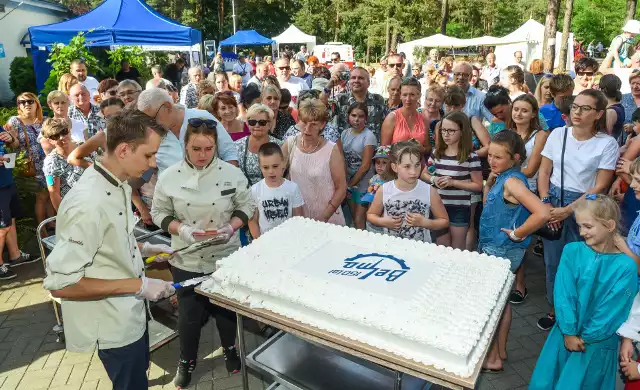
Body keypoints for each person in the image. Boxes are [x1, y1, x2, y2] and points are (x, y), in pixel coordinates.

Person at [42, 109, 174, 389]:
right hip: (113, 324)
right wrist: (138, 285)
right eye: (149, 155)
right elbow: (61, 284)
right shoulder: (88, 202)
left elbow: (107, 241)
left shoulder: (117, 184)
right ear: (124, 150)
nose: (153, 162)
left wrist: (145, 248)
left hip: (130, 316)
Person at [151, 117, 254, 387]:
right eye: (196, 149)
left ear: (216, 146)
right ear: (185, 145)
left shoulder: (231, 173)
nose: (202, 155)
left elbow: (246, 206)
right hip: (187, 255)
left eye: (208, 149)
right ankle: (186, 361)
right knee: (189, 315)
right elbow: (158, 212)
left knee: (226, 311)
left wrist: (232, 228)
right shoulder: (169, 176)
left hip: (225, 254)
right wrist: (182, 229)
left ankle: (231, 351)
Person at [529, 196, 637, 389]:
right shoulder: (572, 250)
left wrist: (585, 337)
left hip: (595, 346)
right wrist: (569, 332)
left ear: (610, 225)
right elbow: (563, 294)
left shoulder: (626, 266)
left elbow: (612, 310)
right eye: (579, 226)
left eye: (588, 226)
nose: (581, 232)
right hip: (563, 336)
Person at [536, 89, 619, 331]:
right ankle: (555, 309)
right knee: (554, 262)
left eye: (585, 108)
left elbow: (601, 185)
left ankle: (579, 311)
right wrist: (546, 201)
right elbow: (543, 172)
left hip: (588, 206)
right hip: (554, 198)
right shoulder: (558, 135)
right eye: (575, 107)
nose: (577, 112)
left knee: (584, 262)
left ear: (598, 114)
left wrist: (570, 209)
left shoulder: (607, 143)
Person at [479, 131, 550, 372]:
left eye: (498, 157)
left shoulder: (513, 182)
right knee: (502, 303)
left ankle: (492, 358)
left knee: (491, 304)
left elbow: (542, 213)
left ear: (515, 157)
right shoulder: (504, 177)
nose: (492, 161)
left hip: (500, 250)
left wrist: (518, 233)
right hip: (498, 247)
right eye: (490, 155)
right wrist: (489, 183)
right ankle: (500, 351)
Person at [504, 94, 549, 302]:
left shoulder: (540, 135)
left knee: (519, 238)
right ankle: (506, 280)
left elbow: (530, 170)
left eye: (524, 110)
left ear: (533, 114)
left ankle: (520, 285)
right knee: (505, 235)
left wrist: (504, 169)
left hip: (527, 192)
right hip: (504, 189)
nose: (518, 114)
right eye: (515, 109)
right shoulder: (506, 133)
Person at [137, 88, 239, 173]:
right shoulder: (152, 133)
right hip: (172, 194)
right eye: (146, 121)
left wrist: (227, 184)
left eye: (152, 118)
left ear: (168, 107)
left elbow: (229, 152)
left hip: (210, 190)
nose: (150, 124)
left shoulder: (202, 117)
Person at [422, 111, 482, 249]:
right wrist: (434, 179)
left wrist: (454, 182)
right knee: (441, 247)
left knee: (457, 248)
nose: (446, 134)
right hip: (439, 207)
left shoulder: (470, 157)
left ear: (462, 132)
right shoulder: (437, 153)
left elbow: (478, 186)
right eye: (443, 130)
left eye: (451, 130)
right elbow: (424, 174)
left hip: (459, 208)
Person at [367, 141, 449, 241]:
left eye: (417, 165)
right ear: (395, 167)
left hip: (419, 249)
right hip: (391, 246)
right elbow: (371, 215)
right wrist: (383, 221)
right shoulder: (384, 190)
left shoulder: (429, 191)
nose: (413, 172)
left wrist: (424, 222)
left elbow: (444, 221)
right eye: (407, 166)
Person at [283, 98, 347, 224]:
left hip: (328, 219)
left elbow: (342, 188)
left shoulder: (331, 150)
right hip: (299, 218)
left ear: (322, 125)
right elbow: (278, 177)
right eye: (304, 122)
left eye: (313, 124)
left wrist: (324, 217)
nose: (307, 129)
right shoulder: (290, 144)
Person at [6, 92, 50, 229]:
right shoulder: (15, 121)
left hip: (48, 163)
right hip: (30, 167)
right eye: (22, 102)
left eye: (30, 101)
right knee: (41, 196)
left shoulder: (45, 120)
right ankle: (42, 229)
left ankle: (51, 223)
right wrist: (12, 139)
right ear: (18, 106)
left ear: (36, 103)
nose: (26, 104)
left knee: (50, 193)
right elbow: (13, 145)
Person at [248, 142, 305, 238]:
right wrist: (259, 243)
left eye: (275, 166)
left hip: (289, 240)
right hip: (266, 242)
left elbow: (298, 218)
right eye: (265, 167)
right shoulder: (255, 190)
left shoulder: (292, 188)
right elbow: (252, 221)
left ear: (283, 163)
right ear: (260, 166)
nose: (271, 171)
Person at [341, 102, 377, 230]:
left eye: (361, 116)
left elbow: (365, 166)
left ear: (366, 118)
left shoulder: (369, 136)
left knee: (359, 218)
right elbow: (341, 158)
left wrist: (350, 184)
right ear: (348, 116)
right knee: (353, 216)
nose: (357, 119)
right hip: (349, 180)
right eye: (353, 115)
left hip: (364, 182)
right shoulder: (345, 133)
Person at [67, 98, 125, 169]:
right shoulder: (103, 136)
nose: (115, 118)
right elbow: (72, 158)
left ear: (125, 111)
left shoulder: (136, 129)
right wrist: (99, 169)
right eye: (109, 116)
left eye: (118, 114)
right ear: (104, 118)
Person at [41, 119, 85, 211]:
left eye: (64, 132)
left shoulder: (85, 148)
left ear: (69, 131)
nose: (62, 137)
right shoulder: (51, 162)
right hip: (74, 208)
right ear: (50, 140)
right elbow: (54, 193)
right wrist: (63, 216)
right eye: (55, 136)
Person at [333, 67, 388, 141]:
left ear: (368, 83)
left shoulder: (378, 100)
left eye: (361, 78)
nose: (356, 80)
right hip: (346, 149)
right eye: (353, 78)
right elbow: (321, 113)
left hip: (373, 149)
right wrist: (329, 86)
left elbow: (387, 126)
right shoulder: (340, 99)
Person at [236, 104, 283, 185]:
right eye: (252, 122)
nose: (257, 125)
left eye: (262, 122)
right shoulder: (237, 146)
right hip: (245, 194)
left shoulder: (280, 146)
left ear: (269, 124)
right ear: (247, 124)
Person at [381, 78, 430, 154]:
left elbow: (428, 147)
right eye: (404, 94)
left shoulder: (424, 120)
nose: (408, 99)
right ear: (400, 95)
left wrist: (422, 149)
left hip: (417, 164)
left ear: (419, 95)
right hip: (396, 164)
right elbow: (383, 149)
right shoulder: (392, 118)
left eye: (412, 95)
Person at [599, 74, 625, 144]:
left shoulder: (610, 111)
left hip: (607, 147)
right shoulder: (619, 106)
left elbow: (607, 135)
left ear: (601, 89)